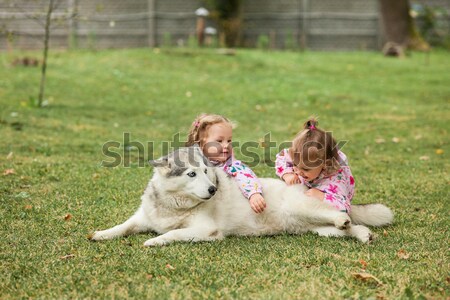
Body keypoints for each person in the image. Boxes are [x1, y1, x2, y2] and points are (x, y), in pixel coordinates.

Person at [186, 114, 267, 213]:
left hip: (224, 209)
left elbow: (245, 175)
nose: (226, 145)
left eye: (229, 140)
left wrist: (254, 194)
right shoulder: (191, 163)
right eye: (219, 141)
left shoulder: (230, 165)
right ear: (201, 144)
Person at [275, 117, 355, 213]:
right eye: (295, 164)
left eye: (305, 169)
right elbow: (282, 157)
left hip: (327, 189)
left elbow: (345, 207)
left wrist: (322, 196)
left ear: (325, 164)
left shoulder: (335, 181)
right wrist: (287, 174)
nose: (298, 172)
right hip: (312, 180)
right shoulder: (299, 155)